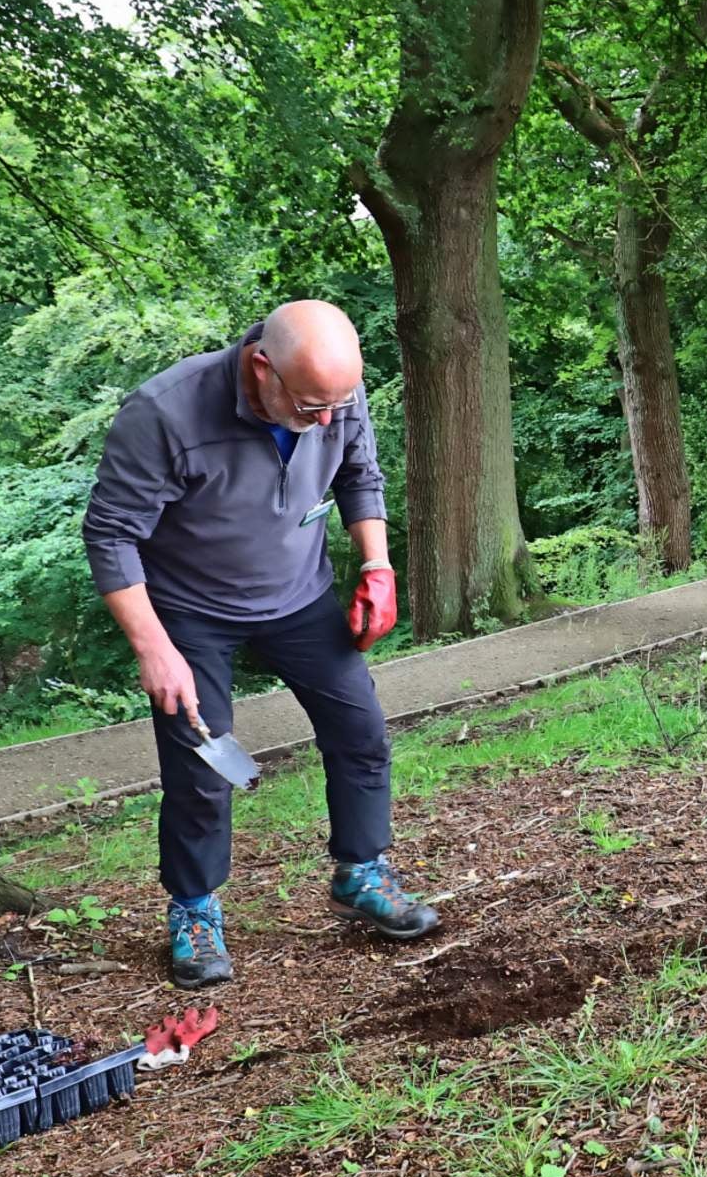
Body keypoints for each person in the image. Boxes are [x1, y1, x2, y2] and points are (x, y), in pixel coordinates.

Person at [83, 299, 440, 990]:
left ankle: (361, 874)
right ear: (262, 369)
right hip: (190, 612)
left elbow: (359, 474)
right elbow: (111, 534)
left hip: (299, 597)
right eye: (311, 407)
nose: (328, 420)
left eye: (338, 403)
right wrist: (154, 648)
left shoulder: (333, 392)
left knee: (360, 731)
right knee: (201, 771)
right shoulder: (165, 413)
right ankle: (194, 911)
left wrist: (377, 566)